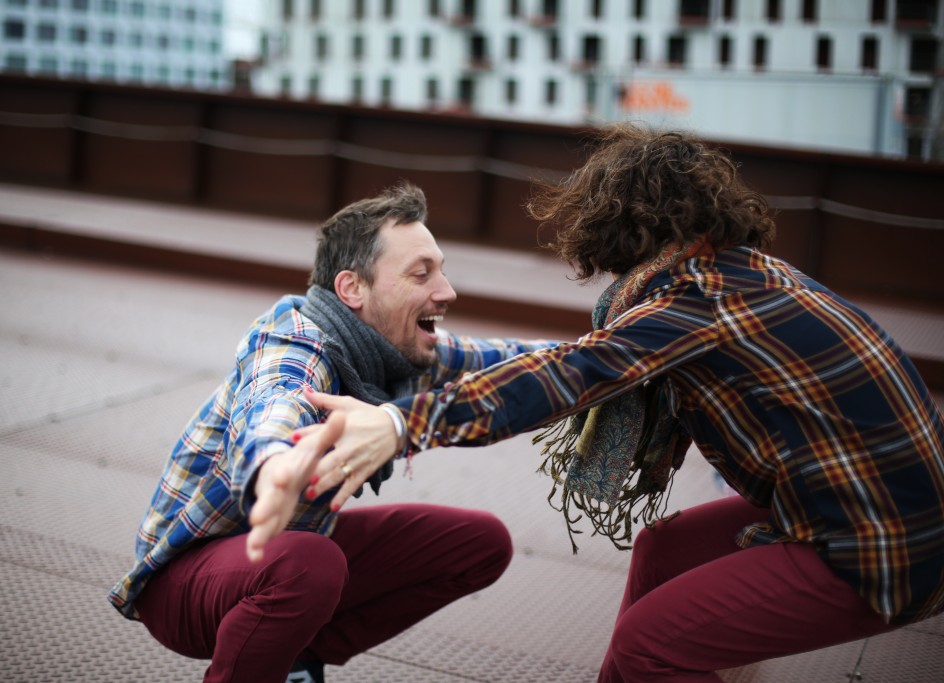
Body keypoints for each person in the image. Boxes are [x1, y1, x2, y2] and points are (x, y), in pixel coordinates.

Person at [254, 123, 944, 682]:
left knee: (650, 644)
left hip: (882, 540)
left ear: (618, 223)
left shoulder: (694, 301)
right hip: (856, 502)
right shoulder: (739, 273)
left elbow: (569, 375)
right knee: (664, 551)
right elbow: (573, 361)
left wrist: (404, 423)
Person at [108, 182, 557, 683]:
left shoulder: (395, 350)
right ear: (352, 289)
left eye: (443, 271)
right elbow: (274, 402)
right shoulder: (294, 343)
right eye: (421, 274)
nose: (446, 291)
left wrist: (607, 354)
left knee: (479, 543)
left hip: (288, 551)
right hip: (184, 582)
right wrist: (277, 465)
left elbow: (510, 361)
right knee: (309, 564)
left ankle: (300, 657)